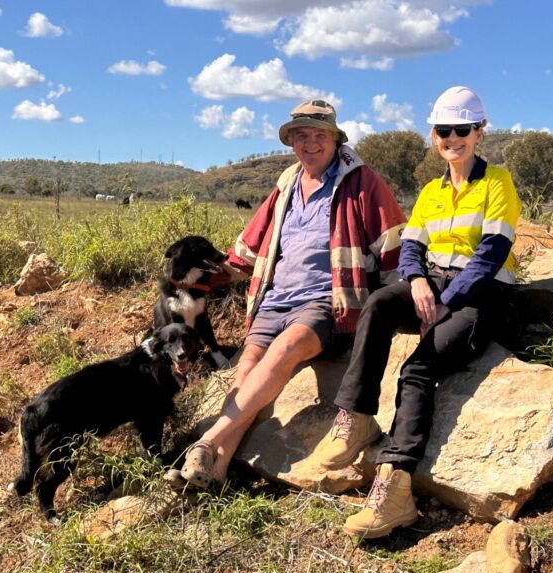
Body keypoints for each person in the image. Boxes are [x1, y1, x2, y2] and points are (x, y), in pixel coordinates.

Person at [314, 86, 522, 539]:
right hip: (439, 285)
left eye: (462, 129)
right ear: (434, 135)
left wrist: (444, 303)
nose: (453, 138)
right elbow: (411, 247)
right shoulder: (431, 191)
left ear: (479, 132)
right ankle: (358, 415)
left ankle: (396, 490)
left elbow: (491, 254)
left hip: (482, 296)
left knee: (417, 370)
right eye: (445, 130)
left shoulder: (496, 182)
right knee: (380, 303)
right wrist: (420, 283)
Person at [166, 99, 407, 489]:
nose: (310, 144)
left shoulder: (361, 181)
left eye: (318, 135)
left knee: (285, 348)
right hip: (275, 299)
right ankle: (217, 471)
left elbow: (393, 242)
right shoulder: (288, 183)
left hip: (326, 302)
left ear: (334, 138)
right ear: (291, 141)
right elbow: (248, 249)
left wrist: (397, 303)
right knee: (244, 371)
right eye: (302, 136)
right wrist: (201, 277)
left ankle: (207, 442)